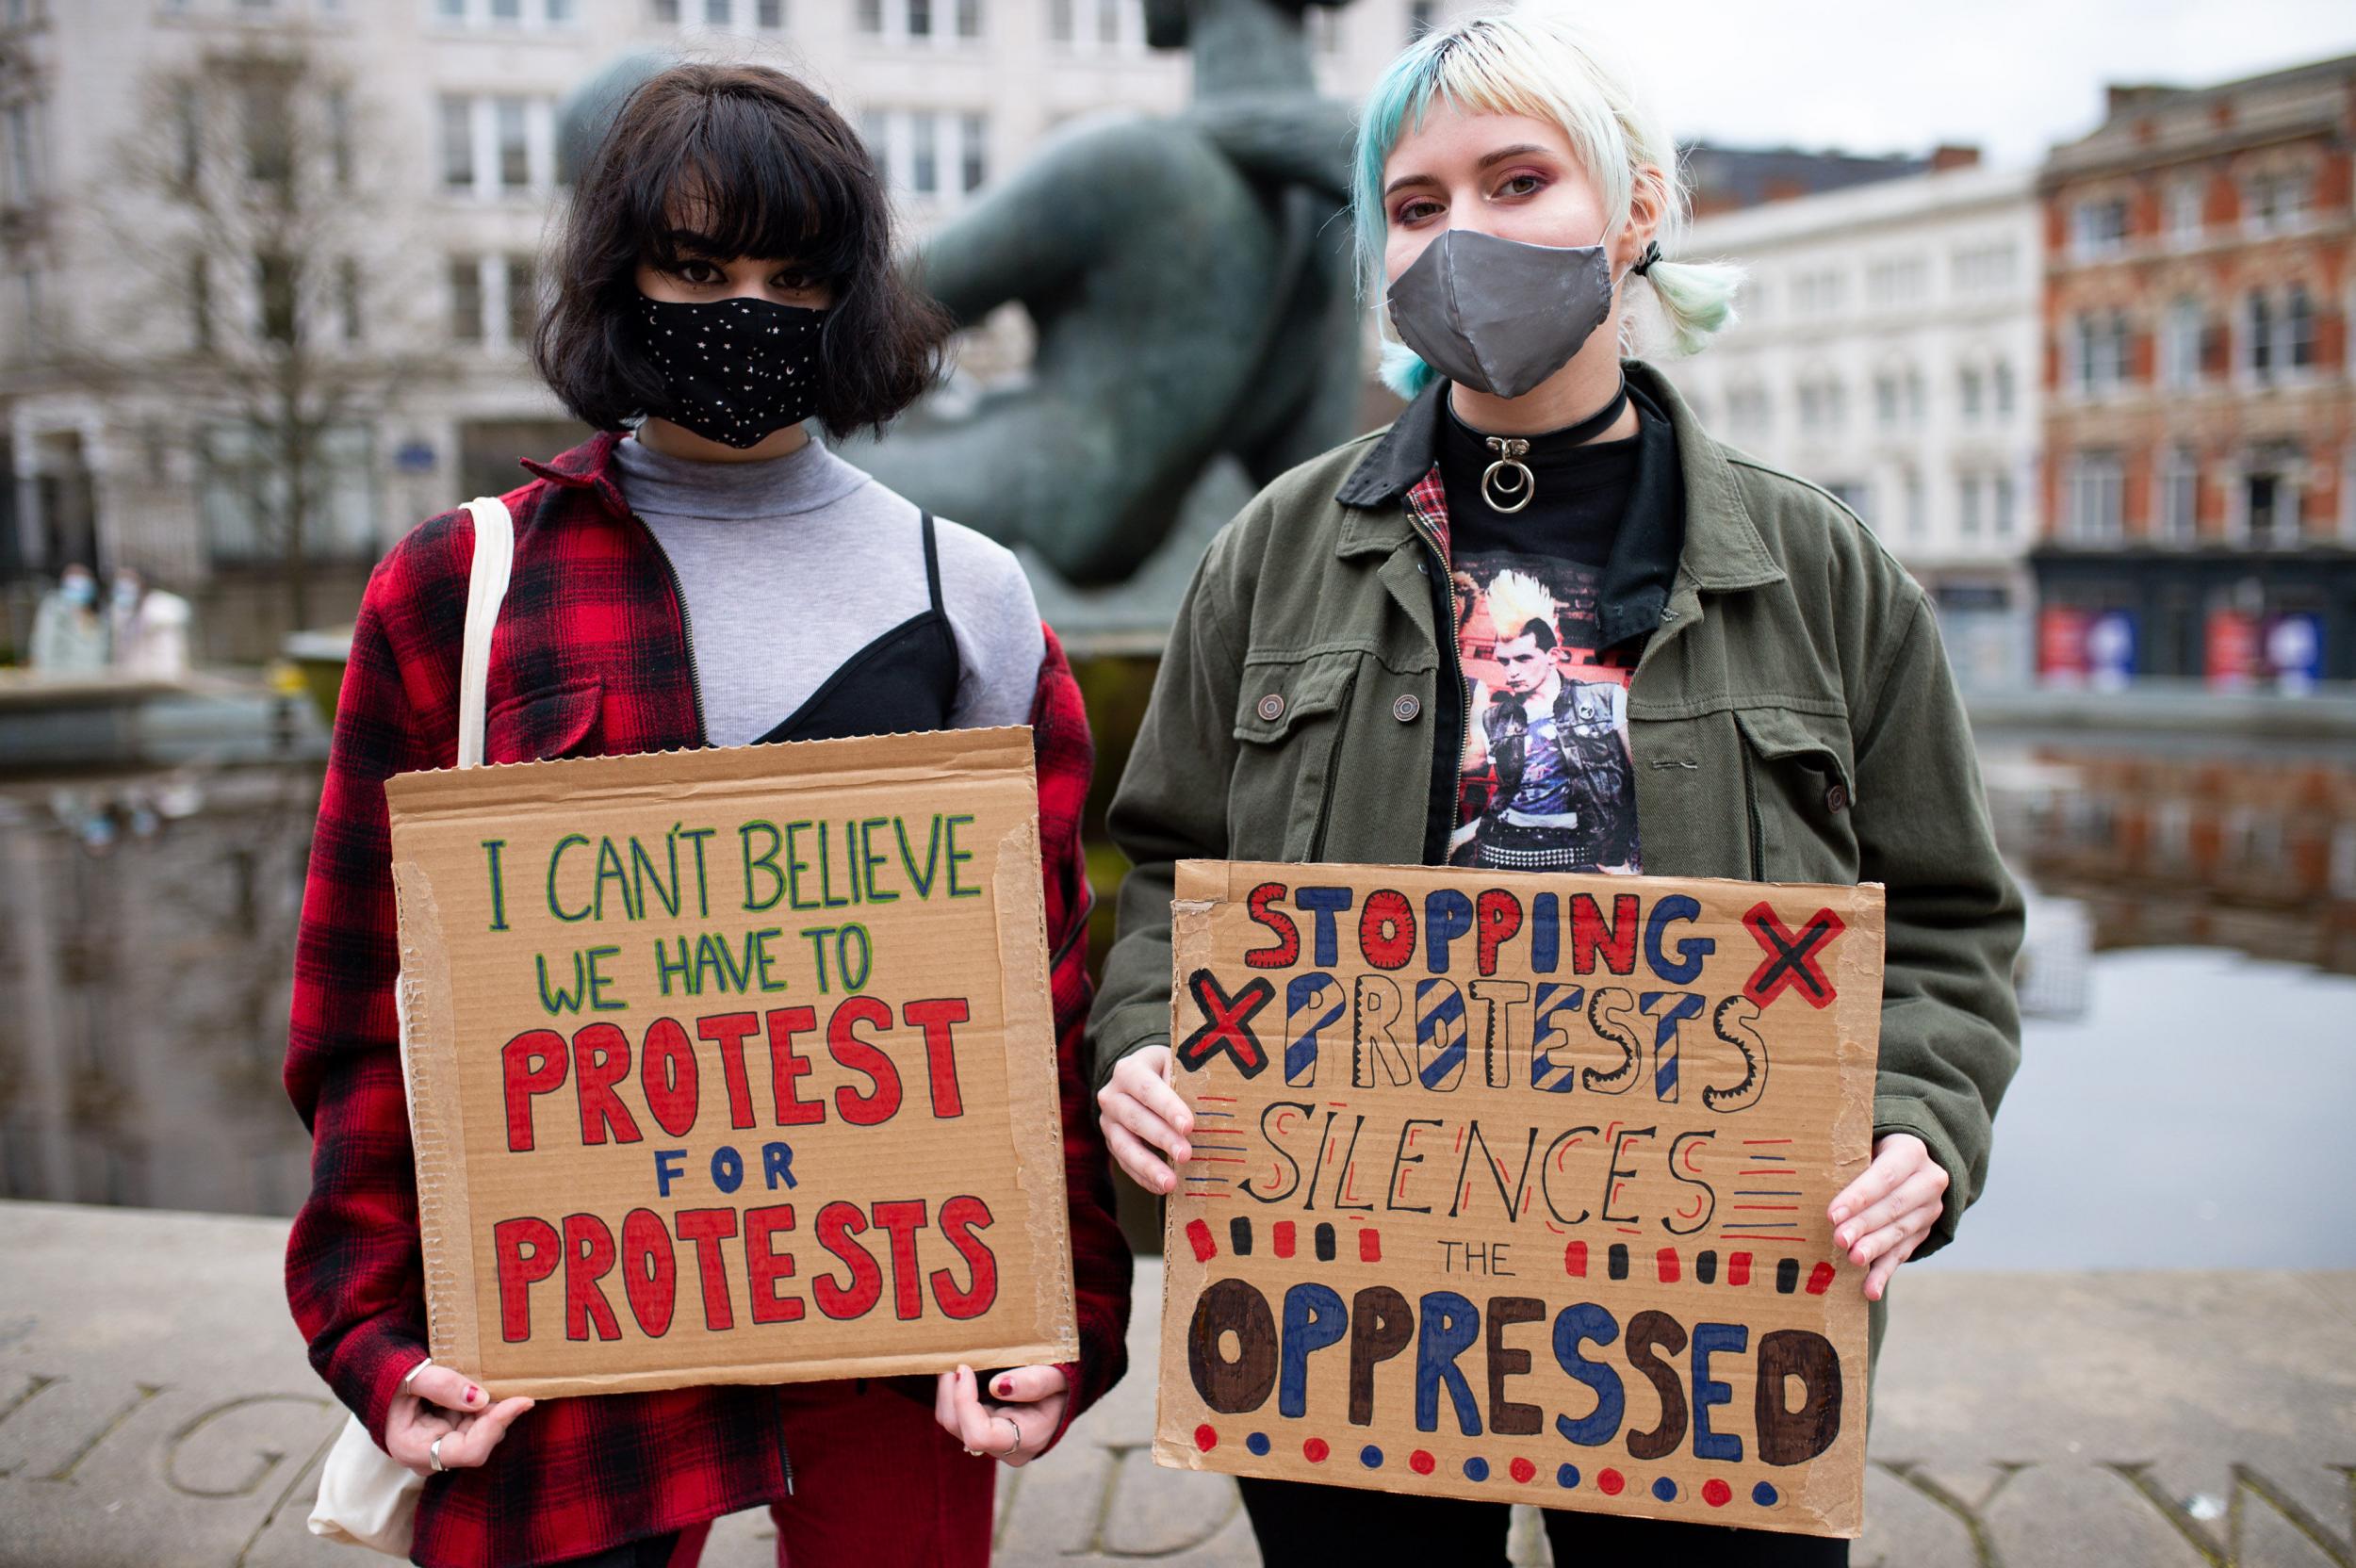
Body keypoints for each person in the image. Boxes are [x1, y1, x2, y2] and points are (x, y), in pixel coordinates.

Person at [1090, 11, 2021, 1565]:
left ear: (1639, 205)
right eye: (1418, 203)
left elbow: (1945, 917)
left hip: (1711, 1315)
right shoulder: (1271, 551)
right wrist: (1143, 1042)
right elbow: (1169, 880)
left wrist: (1920, 1120)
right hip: (1347, 1297)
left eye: (1520, 182)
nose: (1466, 235)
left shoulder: (1822, 568)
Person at [283, 62, 1130, 1568]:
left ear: (852, 298)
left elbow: (1038, 1002)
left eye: (794, 276)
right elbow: (362, 1005)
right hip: (570, 1317)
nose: (744, 307)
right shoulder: (460, 587)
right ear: (621, 276)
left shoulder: (967, 593)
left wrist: (1070, 1308)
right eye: (695, 264)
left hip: (902, 1304)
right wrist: (367, 1324)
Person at [107, 567, 193, 679]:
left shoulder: (165, 605)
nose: (123, 586)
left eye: (128, 580)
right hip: (134, 677)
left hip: (165, 675)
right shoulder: (122, 610)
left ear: (142, 582)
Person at [28, 564, 109, 674]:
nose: (80, 589)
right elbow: (45, 649)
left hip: (95, 682)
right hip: (64, 683)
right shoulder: (53, 610)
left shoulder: (98, 614)